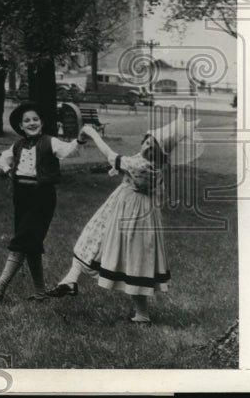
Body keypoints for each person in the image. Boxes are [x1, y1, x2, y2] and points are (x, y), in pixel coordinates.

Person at [44, 111, 202, 324]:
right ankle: (71, 280)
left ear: (159, 155)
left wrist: (92, 133)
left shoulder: (144, 166)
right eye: (147, 141)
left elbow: (111, 156)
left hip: (132, 214)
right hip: (127, 210)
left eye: (152, 147)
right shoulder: (147, 162)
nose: (146, 147)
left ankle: (142, 314)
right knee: (93, 239)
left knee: (133, 262)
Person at [0, 102, 81, 302]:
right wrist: (7, 170)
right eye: (27, 120)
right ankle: (39, 292)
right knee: (32, 243)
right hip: (21, 196)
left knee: (22, 240)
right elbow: (2, 159)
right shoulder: (18, 145)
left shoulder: (50, 142)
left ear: (42, 122)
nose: (31, 123)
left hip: (42, 196)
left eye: (35, 119)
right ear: (20, 125)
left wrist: (79, 140)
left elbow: (69, 151)